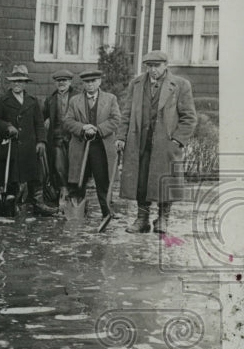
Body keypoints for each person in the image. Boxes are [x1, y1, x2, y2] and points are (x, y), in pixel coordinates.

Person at [116, 50, 197, 234]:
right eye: (149, 66)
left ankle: (162, 219)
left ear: (166, 65)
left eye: (156, 66)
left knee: (164, 181)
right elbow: (126, 113)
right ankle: (142, 219)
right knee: (141, 181)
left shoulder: (180, 85)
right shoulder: (136, 84)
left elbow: (189, 118)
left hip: (166, 144)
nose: (152, 70)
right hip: (140, 142)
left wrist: (177, 140)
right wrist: (121, 137)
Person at [0, 65, 57, 216]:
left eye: (20, 81)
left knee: (35, 176)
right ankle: (14, 204)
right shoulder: (2, 101)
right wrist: (6, 126)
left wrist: (41, 142)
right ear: (10, 83)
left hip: (29, 148)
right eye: (14, 81)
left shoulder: (32, 101)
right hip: (11, 146)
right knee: (12, 177)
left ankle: (38, 204)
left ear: (25, 83)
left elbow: (39, 124)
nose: (17, 84)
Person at [63, 68, 121, 222]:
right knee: (78, 181)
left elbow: (116, 120)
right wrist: (83, 128)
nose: (89, 85)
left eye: (93, 81)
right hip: (80, 146)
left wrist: (98, 129)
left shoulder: (110, 99)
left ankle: (106, 211)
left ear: (99, 82)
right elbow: (68, 121)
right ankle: (77, 212)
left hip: (101, 146)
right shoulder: (74, 101)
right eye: (86, 82)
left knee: (102, 181)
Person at [42, 69, 75, 207]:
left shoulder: (78, 96)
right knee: (59, 167)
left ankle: (75, 196)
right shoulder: (50, 99)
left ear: (70, 82)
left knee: (74, 167)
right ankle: (63, 192)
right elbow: (42, 117)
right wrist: (46, 120)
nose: (62, 83)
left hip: (74, 138)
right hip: (57, 138)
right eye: (59, 81)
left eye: (64, 81)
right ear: (56, 83)